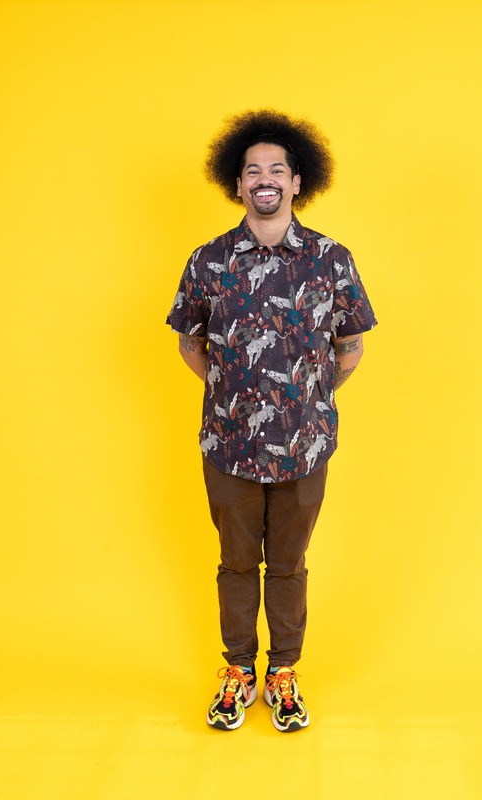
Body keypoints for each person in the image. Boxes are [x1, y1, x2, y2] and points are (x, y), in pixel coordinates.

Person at [166, 109, 377, 732]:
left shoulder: (331, 260)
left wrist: (307, 396)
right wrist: (233, 393)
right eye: (252, 170)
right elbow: (188, 341)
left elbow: (351, 346)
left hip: (304, 446)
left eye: (277, 170)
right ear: (236, 184)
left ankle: (283, 671)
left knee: (288, 564)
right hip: (228, 444)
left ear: (296, 181)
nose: (265, 179)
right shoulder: (208, 261)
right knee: (236, 563)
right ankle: (238, 670)